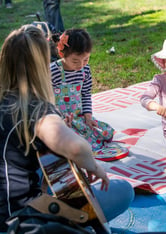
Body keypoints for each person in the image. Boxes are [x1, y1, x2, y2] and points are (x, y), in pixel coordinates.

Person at [0, 25, 134, 232]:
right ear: (41, 65)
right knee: (123, 191)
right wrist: (94, 167)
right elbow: (76, 148)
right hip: (20, 218)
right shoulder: (35, 108)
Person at [51, 28, 129, 160]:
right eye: (75, 61)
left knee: (104, 132)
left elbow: (86, 94)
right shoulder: (53, 71)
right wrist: (58, 119)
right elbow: (45, 99)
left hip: (78, 116)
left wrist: (88, 115)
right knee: (75, 142)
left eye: (86, 60)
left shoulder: (85, 70)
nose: (81, 65)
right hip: (60, 119)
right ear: (61, 53)